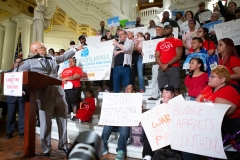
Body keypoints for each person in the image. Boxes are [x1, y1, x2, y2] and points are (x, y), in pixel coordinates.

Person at [14, 41, 84, 157]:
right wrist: (20, 88)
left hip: (59, 94)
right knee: (46, 124)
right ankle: (46, 149)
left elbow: (62, 57)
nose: (45, 48)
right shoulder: (29, 62)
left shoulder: (51, 57)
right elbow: (16, 74)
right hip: (44, 97)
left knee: (63, 121)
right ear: (36, 51)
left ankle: (64, 145)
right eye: (42, 47)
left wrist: (75, 49)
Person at [182, 65, 240, 160]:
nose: (209, 78)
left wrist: (201, 107)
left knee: (188, 140)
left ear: (222, 79)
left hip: (224, 128)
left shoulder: (228, 91)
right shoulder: (208, 88)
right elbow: (196, 102)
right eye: (210, 75)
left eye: (213, 76)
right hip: (206, 124)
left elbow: (219, 112)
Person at [101, 84, 135, 160]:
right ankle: (102, 147)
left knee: (124, 126)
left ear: (133, 92)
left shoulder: (136, 101)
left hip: (126, 125)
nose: (127, 89)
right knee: (107, 125)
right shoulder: (119, 99)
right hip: (115, 124)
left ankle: (121, 150)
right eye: (126, 88)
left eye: (129, 88)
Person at [141, 85, 175, 160]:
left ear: (172, 95)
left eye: (167, 92)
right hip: (159, 128)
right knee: (150, 132)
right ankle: (147, 156)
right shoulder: (159, 102)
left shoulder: (177, 103)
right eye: (163, 92)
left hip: (170, 131)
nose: (164, 94)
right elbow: (152, 115)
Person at [155, 24, 183, 96]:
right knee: (163, 90)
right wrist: (162, 65)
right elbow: (157, 57)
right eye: (164, 29)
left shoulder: (177, 41)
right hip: (162, 68)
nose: (165, 30)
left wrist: (167, 65)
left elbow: (178, 56)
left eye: (167, 28)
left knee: (175, 90)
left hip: (173, 67)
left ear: (172, 30)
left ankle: (177, 106)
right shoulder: (159, 43)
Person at [5, 57, 25, 139]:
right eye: (16, 62)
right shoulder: (9, 72)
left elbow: (27, 86)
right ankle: (9, 132)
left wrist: (24, 92)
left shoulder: (25, 73)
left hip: (21, 97)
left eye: (20, 62)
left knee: (22, 116)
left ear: (22, 63)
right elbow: (6, 84)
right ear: (14, 63)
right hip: (11, 97)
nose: (18, 64)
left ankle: (22, 131)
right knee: (11, 115)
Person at [148, 24, 165, 100]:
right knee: (154, 78)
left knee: (163, 79)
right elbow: (149, 50)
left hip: (165, 61)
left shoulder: (166, 38)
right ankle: (155, 95)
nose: (158, 31)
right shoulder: (153, 39)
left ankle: (164, 95)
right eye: (156, 30)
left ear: (163, 30)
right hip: (155, 62)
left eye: (159, 29)